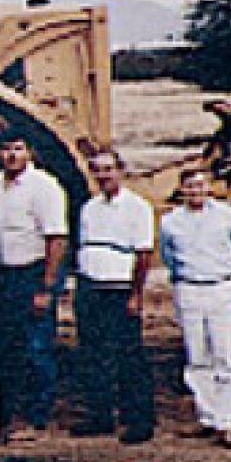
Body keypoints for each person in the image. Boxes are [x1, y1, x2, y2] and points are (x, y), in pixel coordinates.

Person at [0, 134, 68, 439]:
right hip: (2, 274)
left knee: (37, 346)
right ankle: (9, 414)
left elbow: (56, 238)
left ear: (29, 152)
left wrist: (46, 286)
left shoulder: (44, 187)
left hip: (32, 272)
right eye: (6, 149)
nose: (11, 155)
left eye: (18, 149)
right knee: (6, 345)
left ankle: (37, 417)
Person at [158, 166, 231, 449]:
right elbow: (168, 256)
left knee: (228, 354)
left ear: (209, 187)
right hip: (189, 286)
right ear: (182, 189)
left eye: (200, 186)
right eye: (189, 186)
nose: (195, 191)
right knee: (198, 354)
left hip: (222, 285)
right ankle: (208, 416)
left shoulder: (230, 217)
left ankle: (229, 420)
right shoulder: (170, 222)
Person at [70, 149, 157, 443]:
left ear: (120, 171)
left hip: (119, 288)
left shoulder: (137, 208)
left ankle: (139, 420)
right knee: (93, 354)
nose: (103, 176)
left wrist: (135, 294)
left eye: (108, 169)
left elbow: (144, 255)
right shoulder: (89, 208)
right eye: (97, 170)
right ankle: (100, 415)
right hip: (91, 287)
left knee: (128, 355)